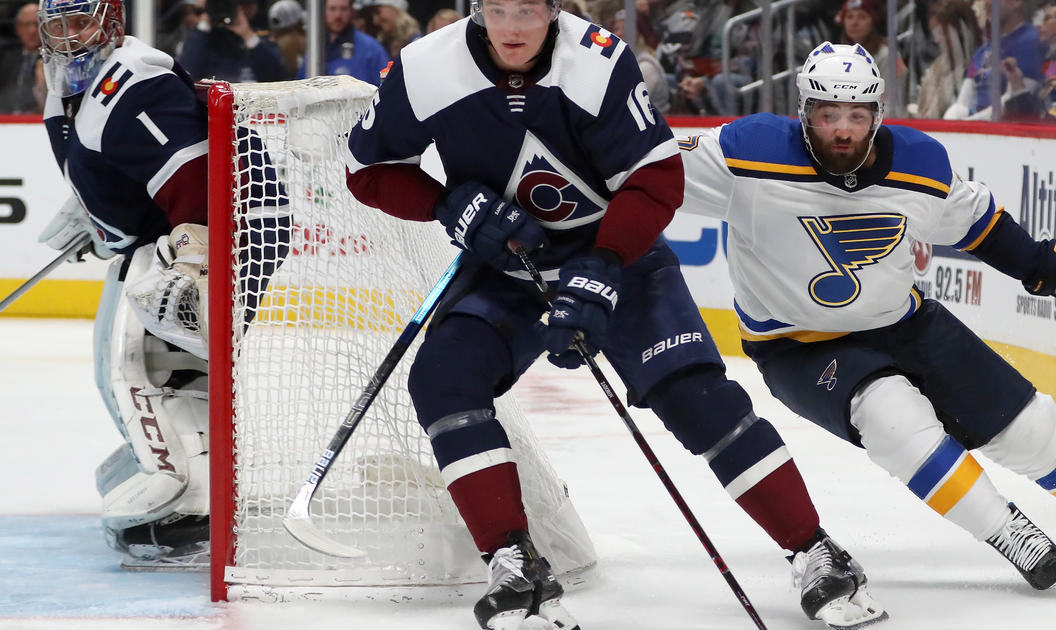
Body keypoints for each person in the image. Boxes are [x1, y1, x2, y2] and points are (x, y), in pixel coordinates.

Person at [343, 2, 887, 628]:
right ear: (476, 8)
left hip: (616, 258)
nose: (513, 27)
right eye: (498, 9)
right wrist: (452, 205)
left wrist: (602, 267)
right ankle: (515, 568)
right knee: (444, 378)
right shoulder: (424, 67)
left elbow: (656, 177)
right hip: (508, 267)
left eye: (528, 9)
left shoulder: (597, 60)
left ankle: (816, 550)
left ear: (552, 7)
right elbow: (367, 169)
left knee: (697, 398)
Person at [676, 41, 1056, 594]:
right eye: (827, 115)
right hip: (799, 346)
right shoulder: (746, 153)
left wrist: (1041, 267)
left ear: (877, 114)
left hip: (905, 321)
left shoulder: (919, 162)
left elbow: (979, 223)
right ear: (804, 112)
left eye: (856, 115)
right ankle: (1005, 529)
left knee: (1026, 424)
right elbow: (642, 168)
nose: (842, 129)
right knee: (893, 418)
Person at [34, 0, 288, 570]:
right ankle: (189, 478)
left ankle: (189, 502)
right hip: (153, 242)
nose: (69, 38)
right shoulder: (70, 90)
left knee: (144, 366)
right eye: (58, 27)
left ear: (113, 25)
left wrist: (194, 264)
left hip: (200, 240)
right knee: (115, 364)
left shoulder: (132, 84)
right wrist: (96, 212)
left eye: (81, 24)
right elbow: (108, 161)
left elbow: (194, 175)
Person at [178, 0, 288, 82]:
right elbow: (187, 75)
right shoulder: (202, 38)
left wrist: (248, 36)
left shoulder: (259, 37)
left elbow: (277, 77)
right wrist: (205, 22)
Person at [298, 0, 390, 84]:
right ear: (324, 11)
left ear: (351, 11)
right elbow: (301, 85)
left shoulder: (372, 49)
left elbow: (386, 88)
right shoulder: (315, 46)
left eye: (343, 9)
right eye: (332, 9)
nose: (338, 15)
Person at [0, 2, 44, 114]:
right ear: (17, 27)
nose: (32, 31)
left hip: (37, 122)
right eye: (26, 24)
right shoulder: (5, 57)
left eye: (36, 24)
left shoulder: (53, 61)